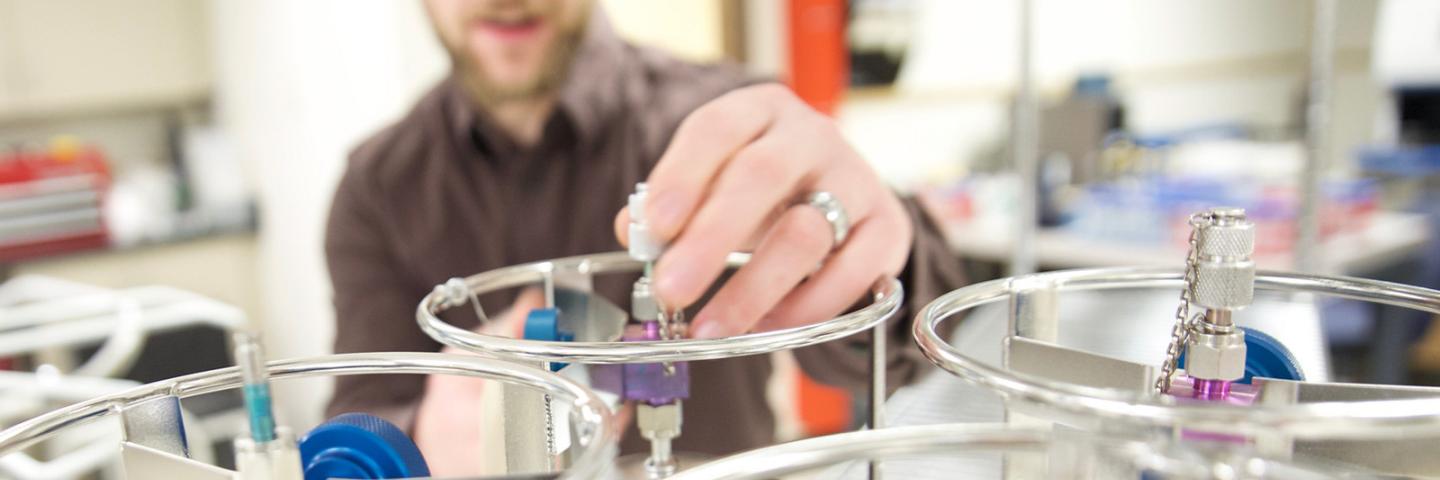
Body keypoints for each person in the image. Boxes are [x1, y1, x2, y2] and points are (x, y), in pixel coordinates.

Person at [324, 0, 964, 475]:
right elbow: (364, 410)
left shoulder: (724, 118)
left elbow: (907, 347)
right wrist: (424, 439)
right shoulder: (377, 186)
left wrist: (865, 254)